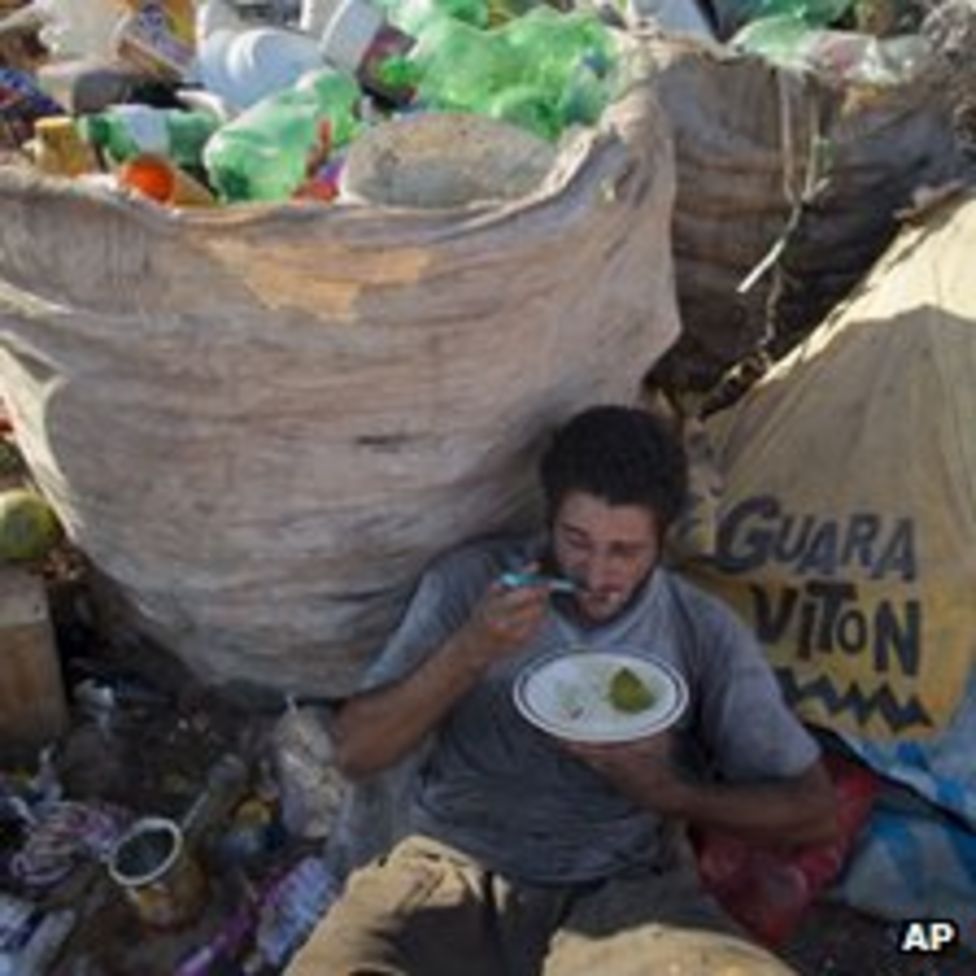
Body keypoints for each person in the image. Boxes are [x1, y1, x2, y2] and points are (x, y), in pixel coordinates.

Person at [288, 405, 838, 976]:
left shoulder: (699, 628)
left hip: (627, 892)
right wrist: (472, 647)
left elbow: (815, 813)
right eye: (577, 540)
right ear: (548, 519)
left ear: (663, 541)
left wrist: (670, 794)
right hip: (452, 873)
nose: (595, 574)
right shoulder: (473, 586)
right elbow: (356, 752)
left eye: (625, 551)